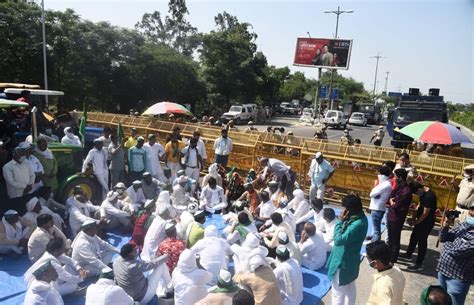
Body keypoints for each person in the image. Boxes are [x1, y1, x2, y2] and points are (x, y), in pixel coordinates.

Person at [326, 194, 368, 305]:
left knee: (337, 293)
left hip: (343, 262)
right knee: (350, 288)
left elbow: (338, 240)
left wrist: (339, 222)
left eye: (345, 208)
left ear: (350, 210)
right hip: (351, 261)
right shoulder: (361, 218)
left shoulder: (356, 224)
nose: (343, 210)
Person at [436, 206, 474, 305]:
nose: (470, 214)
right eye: (470, 212)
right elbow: (442, 238)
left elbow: (457, 252)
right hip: (443, 271)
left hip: (457, 278)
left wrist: (447, 245)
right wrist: (447, 223)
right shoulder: (464, 225)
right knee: (440, 301)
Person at [400, 182, 437, 270]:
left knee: (422, 242)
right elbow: (419, 205)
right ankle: (408, 254)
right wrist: (413, 217)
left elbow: (425, 213)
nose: (416, 195)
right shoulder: (423, 194)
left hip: (426, 222)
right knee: (413, 238)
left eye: (416, 193)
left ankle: (419, 263)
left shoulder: (429, 197)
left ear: (419, 189)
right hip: (420, 220)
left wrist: (415, 222)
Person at [366, 241, 406, 305]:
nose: (368, 261)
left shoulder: (383, 285)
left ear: (376, 263)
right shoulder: (397, 270)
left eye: (368, 259)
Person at [387, 169, 412, 263]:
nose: (394, 178)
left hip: (397, 218)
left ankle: (393, 258)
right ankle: (389, 255)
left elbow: (396, 205)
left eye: (396, 177)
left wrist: (392, 202)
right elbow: (391, 196)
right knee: (390, 238)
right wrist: (391, 200)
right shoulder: (399, 187)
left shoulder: (406, 191)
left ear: (400, 178)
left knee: (395, 239)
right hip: (391, 215)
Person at [2, 146, 35, 211]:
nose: (23, 156)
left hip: (28, 192)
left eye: (24, 154)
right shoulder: (7, 167)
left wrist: (30, 185)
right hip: (16, 195)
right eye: (21, 154)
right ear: (15, 155)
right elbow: (11, 182)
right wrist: (25, 187)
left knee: (30, 210)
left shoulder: (26, 163)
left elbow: (32, 175)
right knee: (20, 211)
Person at [369, 166, 393, 242]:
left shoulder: (385, 184)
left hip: (377, 209)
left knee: (376, 231)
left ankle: (375, 246)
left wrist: (375, 191)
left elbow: (372, 194)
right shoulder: (385, 183)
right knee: (376, 230)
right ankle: (375, 245)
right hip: (378, 208)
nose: (377, 175)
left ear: (382, 175)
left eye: (378, 173)